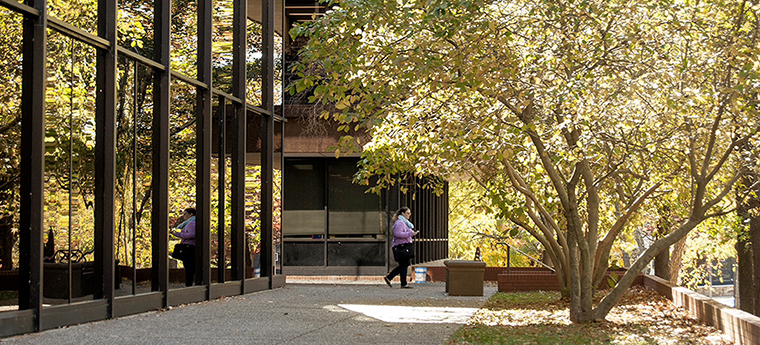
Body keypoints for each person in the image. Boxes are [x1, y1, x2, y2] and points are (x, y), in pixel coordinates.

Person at [384, 206, 418, 289]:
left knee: (404, 264)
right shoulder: (400, 223)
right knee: (404, 264)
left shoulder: (405, 223)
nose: (409, 215)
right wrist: (410, 234)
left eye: (410, 213)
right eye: (407, 213)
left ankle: (400, 281)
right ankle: (393, 279)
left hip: (404, 245)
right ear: (403, 214)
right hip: (401, 246)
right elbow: (398, 234)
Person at [170, 208, 196, 287]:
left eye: (185, 214)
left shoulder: (191, 223)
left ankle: (189, 284)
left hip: (189, 247)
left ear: (191, 214)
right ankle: (190, 283)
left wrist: (178, 234)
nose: (183, 216)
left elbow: (192, 235)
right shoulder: (190, 223)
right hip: (190, 247)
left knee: (189, 267)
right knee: (189, 266)